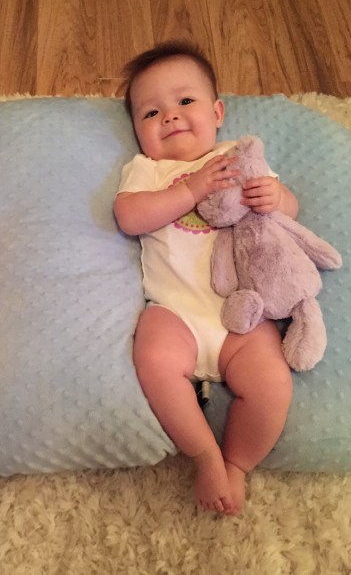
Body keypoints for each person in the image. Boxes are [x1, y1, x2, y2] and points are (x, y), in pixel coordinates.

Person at [113, 41, 295, 515]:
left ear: (217, 113)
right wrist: (190, 188)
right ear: (137, 131)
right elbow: (130, 216)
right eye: (151, 112)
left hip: (242, 311)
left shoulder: (236, 156)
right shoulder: (148, 170)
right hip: (174, 311)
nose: (170, 116)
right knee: (153, 358)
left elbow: (288, 213)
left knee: (272, 384)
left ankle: (236, 464)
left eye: (185, 101)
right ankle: (204, 454)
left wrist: (276, 198)